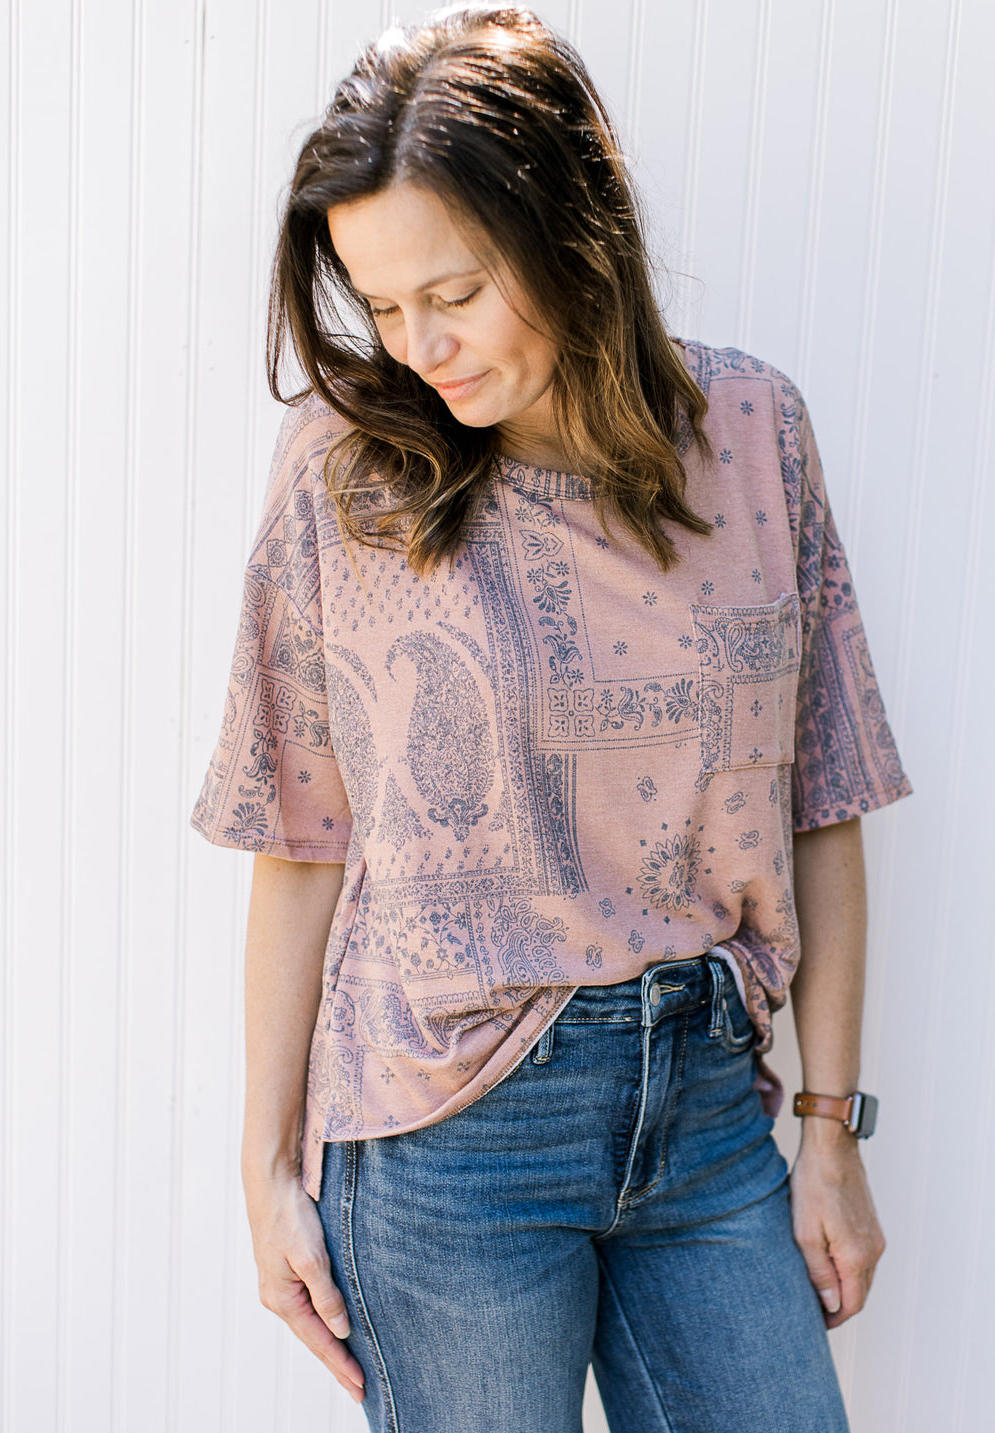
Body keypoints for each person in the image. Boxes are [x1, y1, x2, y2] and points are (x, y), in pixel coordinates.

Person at [190, 6, 912, 1430]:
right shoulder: (350, 466)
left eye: (452, 291)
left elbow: (821, 795)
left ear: (572, 229)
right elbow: (302, 830)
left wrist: (830, 1128)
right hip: (447, 1128)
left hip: (711, 1112)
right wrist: (265, 1165)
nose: (419, 347)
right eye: (382, 305)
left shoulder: (756, 433)